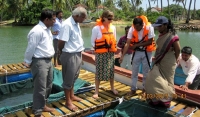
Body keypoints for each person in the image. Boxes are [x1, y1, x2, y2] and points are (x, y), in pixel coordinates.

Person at [23, 9, 56, 117]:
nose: (54, 22)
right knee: (40, 87)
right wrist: (27, 61)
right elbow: (30, 48)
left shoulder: (47, 29)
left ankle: (43, 105)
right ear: (46, 19)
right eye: (53, 20)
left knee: (48, 85)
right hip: (40, 61)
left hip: (48, 60)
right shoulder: (37, 30)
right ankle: (37, 111)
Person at [145, 16, 181, 107]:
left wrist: (175, 60)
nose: (158, 28)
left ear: (166, 25)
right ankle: (156, 98)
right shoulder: (162, 35)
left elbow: (178, 49)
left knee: (168, 82)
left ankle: (166, 100)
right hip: (159, 60)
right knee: (152, 78)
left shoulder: (172, 36)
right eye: (157, 26)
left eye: (160, 26)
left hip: (169, 61)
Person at [58, 7, 87, 111]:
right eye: (83, 17)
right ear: (76, 16)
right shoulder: (67, 24)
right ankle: (68, 102)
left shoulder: (76, 23)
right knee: (68, 78)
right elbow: (61, 42)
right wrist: (60, 53)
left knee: (74, 76)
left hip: (77, 53)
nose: (84, 20)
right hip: (69, 54)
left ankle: (72, 95)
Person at [119, 15, 156, 95]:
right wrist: (122, 56)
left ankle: (145, 90)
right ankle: (133, 89)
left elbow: (150, 41)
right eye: (135, 27)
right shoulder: (132, 29)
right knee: (134, 71)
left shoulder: (150, 28)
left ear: (142, 25)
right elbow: (127, 43)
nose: (136, 29)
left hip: (147, 52)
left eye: (137, 27)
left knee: (146, 72)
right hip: (136, 52)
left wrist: (136, 45)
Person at [91, 10, 118, 99]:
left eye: (112, 19)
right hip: (100, 54)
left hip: (110, 54)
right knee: (99, 72)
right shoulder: (96, 28)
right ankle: (96, 91)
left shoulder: (113, 28)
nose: (111, 20)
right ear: (104, 18)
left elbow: (114, 39)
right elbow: (92, 42)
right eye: (109, 18)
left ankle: (112, 88)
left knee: (111, 71)